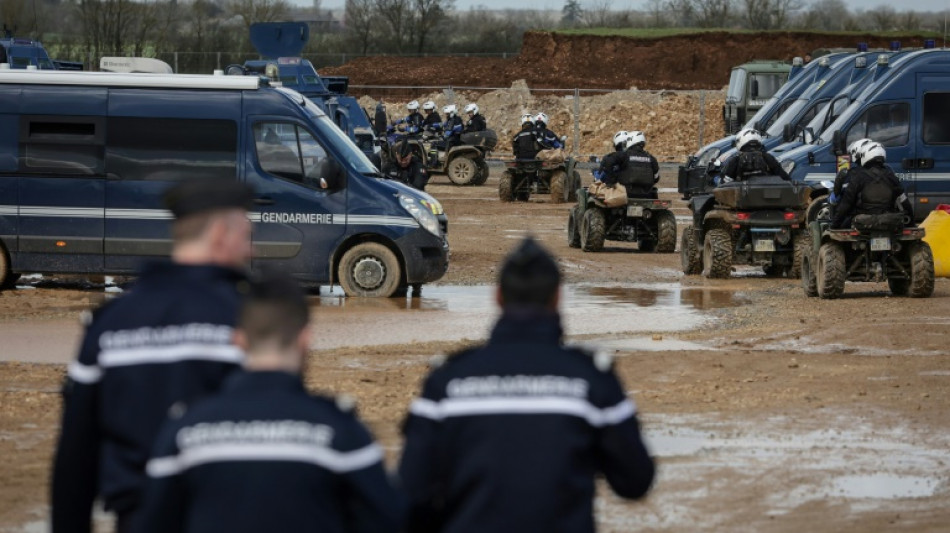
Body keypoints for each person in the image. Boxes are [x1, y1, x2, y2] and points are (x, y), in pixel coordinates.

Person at [399, 237, 655, 533]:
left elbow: (410, 495)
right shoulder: (590, 381)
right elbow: (635, 481)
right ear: (557, 297)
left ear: (497, 297)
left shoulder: (448, 383)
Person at [51, 179, 255, 533]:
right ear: (221, 233)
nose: (250, 250)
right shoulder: (246, 319)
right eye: (247, 236)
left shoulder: (111, 321)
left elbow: (75, 454)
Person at [137, 270, 405, 533]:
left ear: (239, 340)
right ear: (305, 339)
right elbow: (389, 519)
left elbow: (152, 521)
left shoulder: (184, 430)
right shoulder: (341, 432)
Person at [832, 141, 913, 229]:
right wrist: (911, 224)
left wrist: (834, 225)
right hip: (888, 222)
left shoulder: (857, 176)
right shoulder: (890, 175)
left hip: (863, 223)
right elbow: (905, 202)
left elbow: (845, 204)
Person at [721, 127, 789, 182]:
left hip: (743, 198)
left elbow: (724, 185)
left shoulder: (735, 160)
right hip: (767, 197)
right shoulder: (768, 158)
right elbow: (785, 179)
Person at [620, 130, 661, 198]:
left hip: (626, 194)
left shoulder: (624, 156)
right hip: (647, 194)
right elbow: (656, 178)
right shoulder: (651, 159)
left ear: (631, 140)